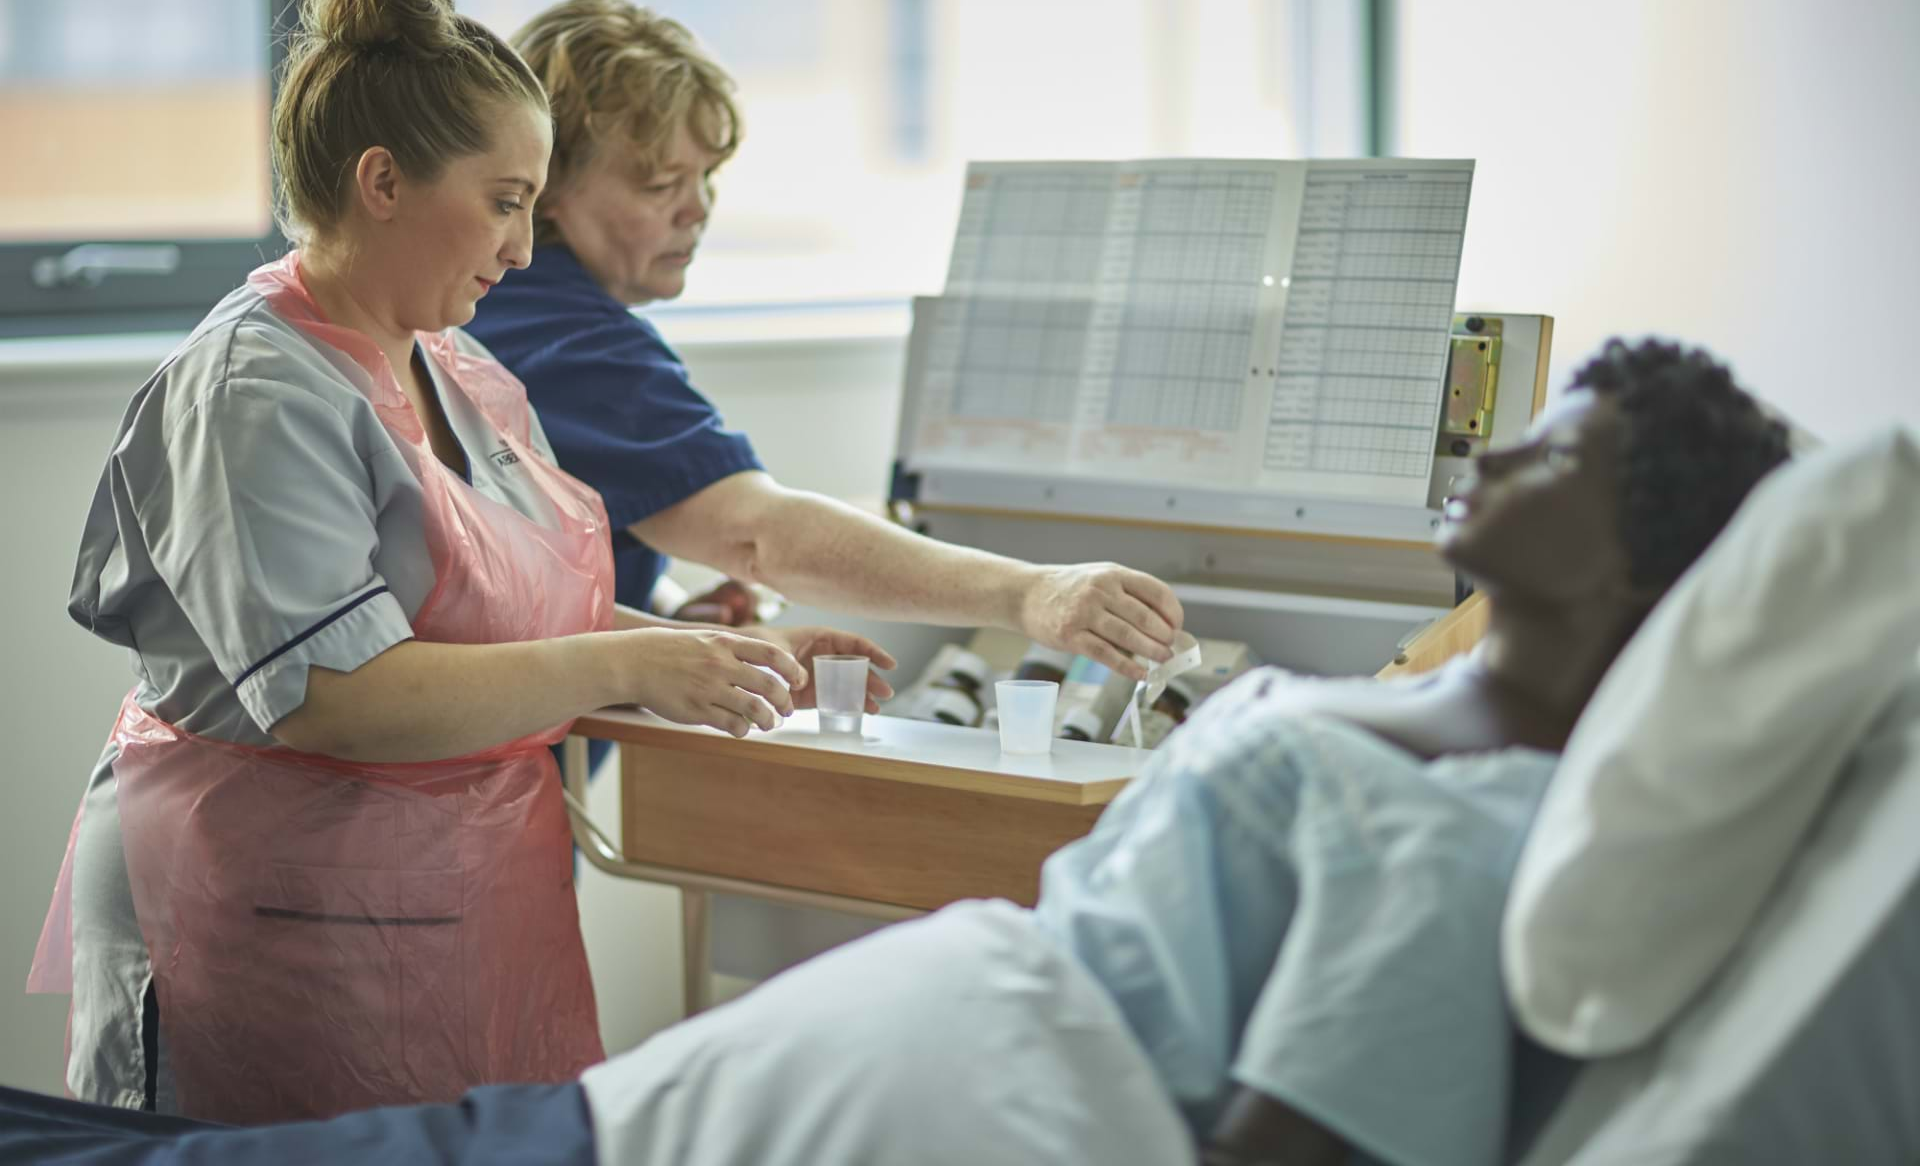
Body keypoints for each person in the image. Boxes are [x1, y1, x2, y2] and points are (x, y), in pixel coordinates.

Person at [10, 339, 1794, 1164]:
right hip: (806, 1082)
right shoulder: (1401, 724)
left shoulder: (1466, 839)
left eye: (1545, 454)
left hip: (939, 1103)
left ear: (1643, 552)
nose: (1486, 466)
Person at [26, 0, 889, 1126]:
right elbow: (343, 692)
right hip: (278, 917)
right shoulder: (256, 389)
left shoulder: (457, 367)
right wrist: (636, 654)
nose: (524, 247)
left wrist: (714, 655)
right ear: (382, 181)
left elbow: (511, 627)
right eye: (503, 202)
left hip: (452, 910)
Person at [463, 0, 1188, 750]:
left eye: (706, 175)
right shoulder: (569, 341)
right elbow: (760, 538)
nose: (698, 208)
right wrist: (1033, 592)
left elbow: (512, 578)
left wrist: (666, 625)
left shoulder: (514, 314)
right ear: (545, 185)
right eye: (658, 184)